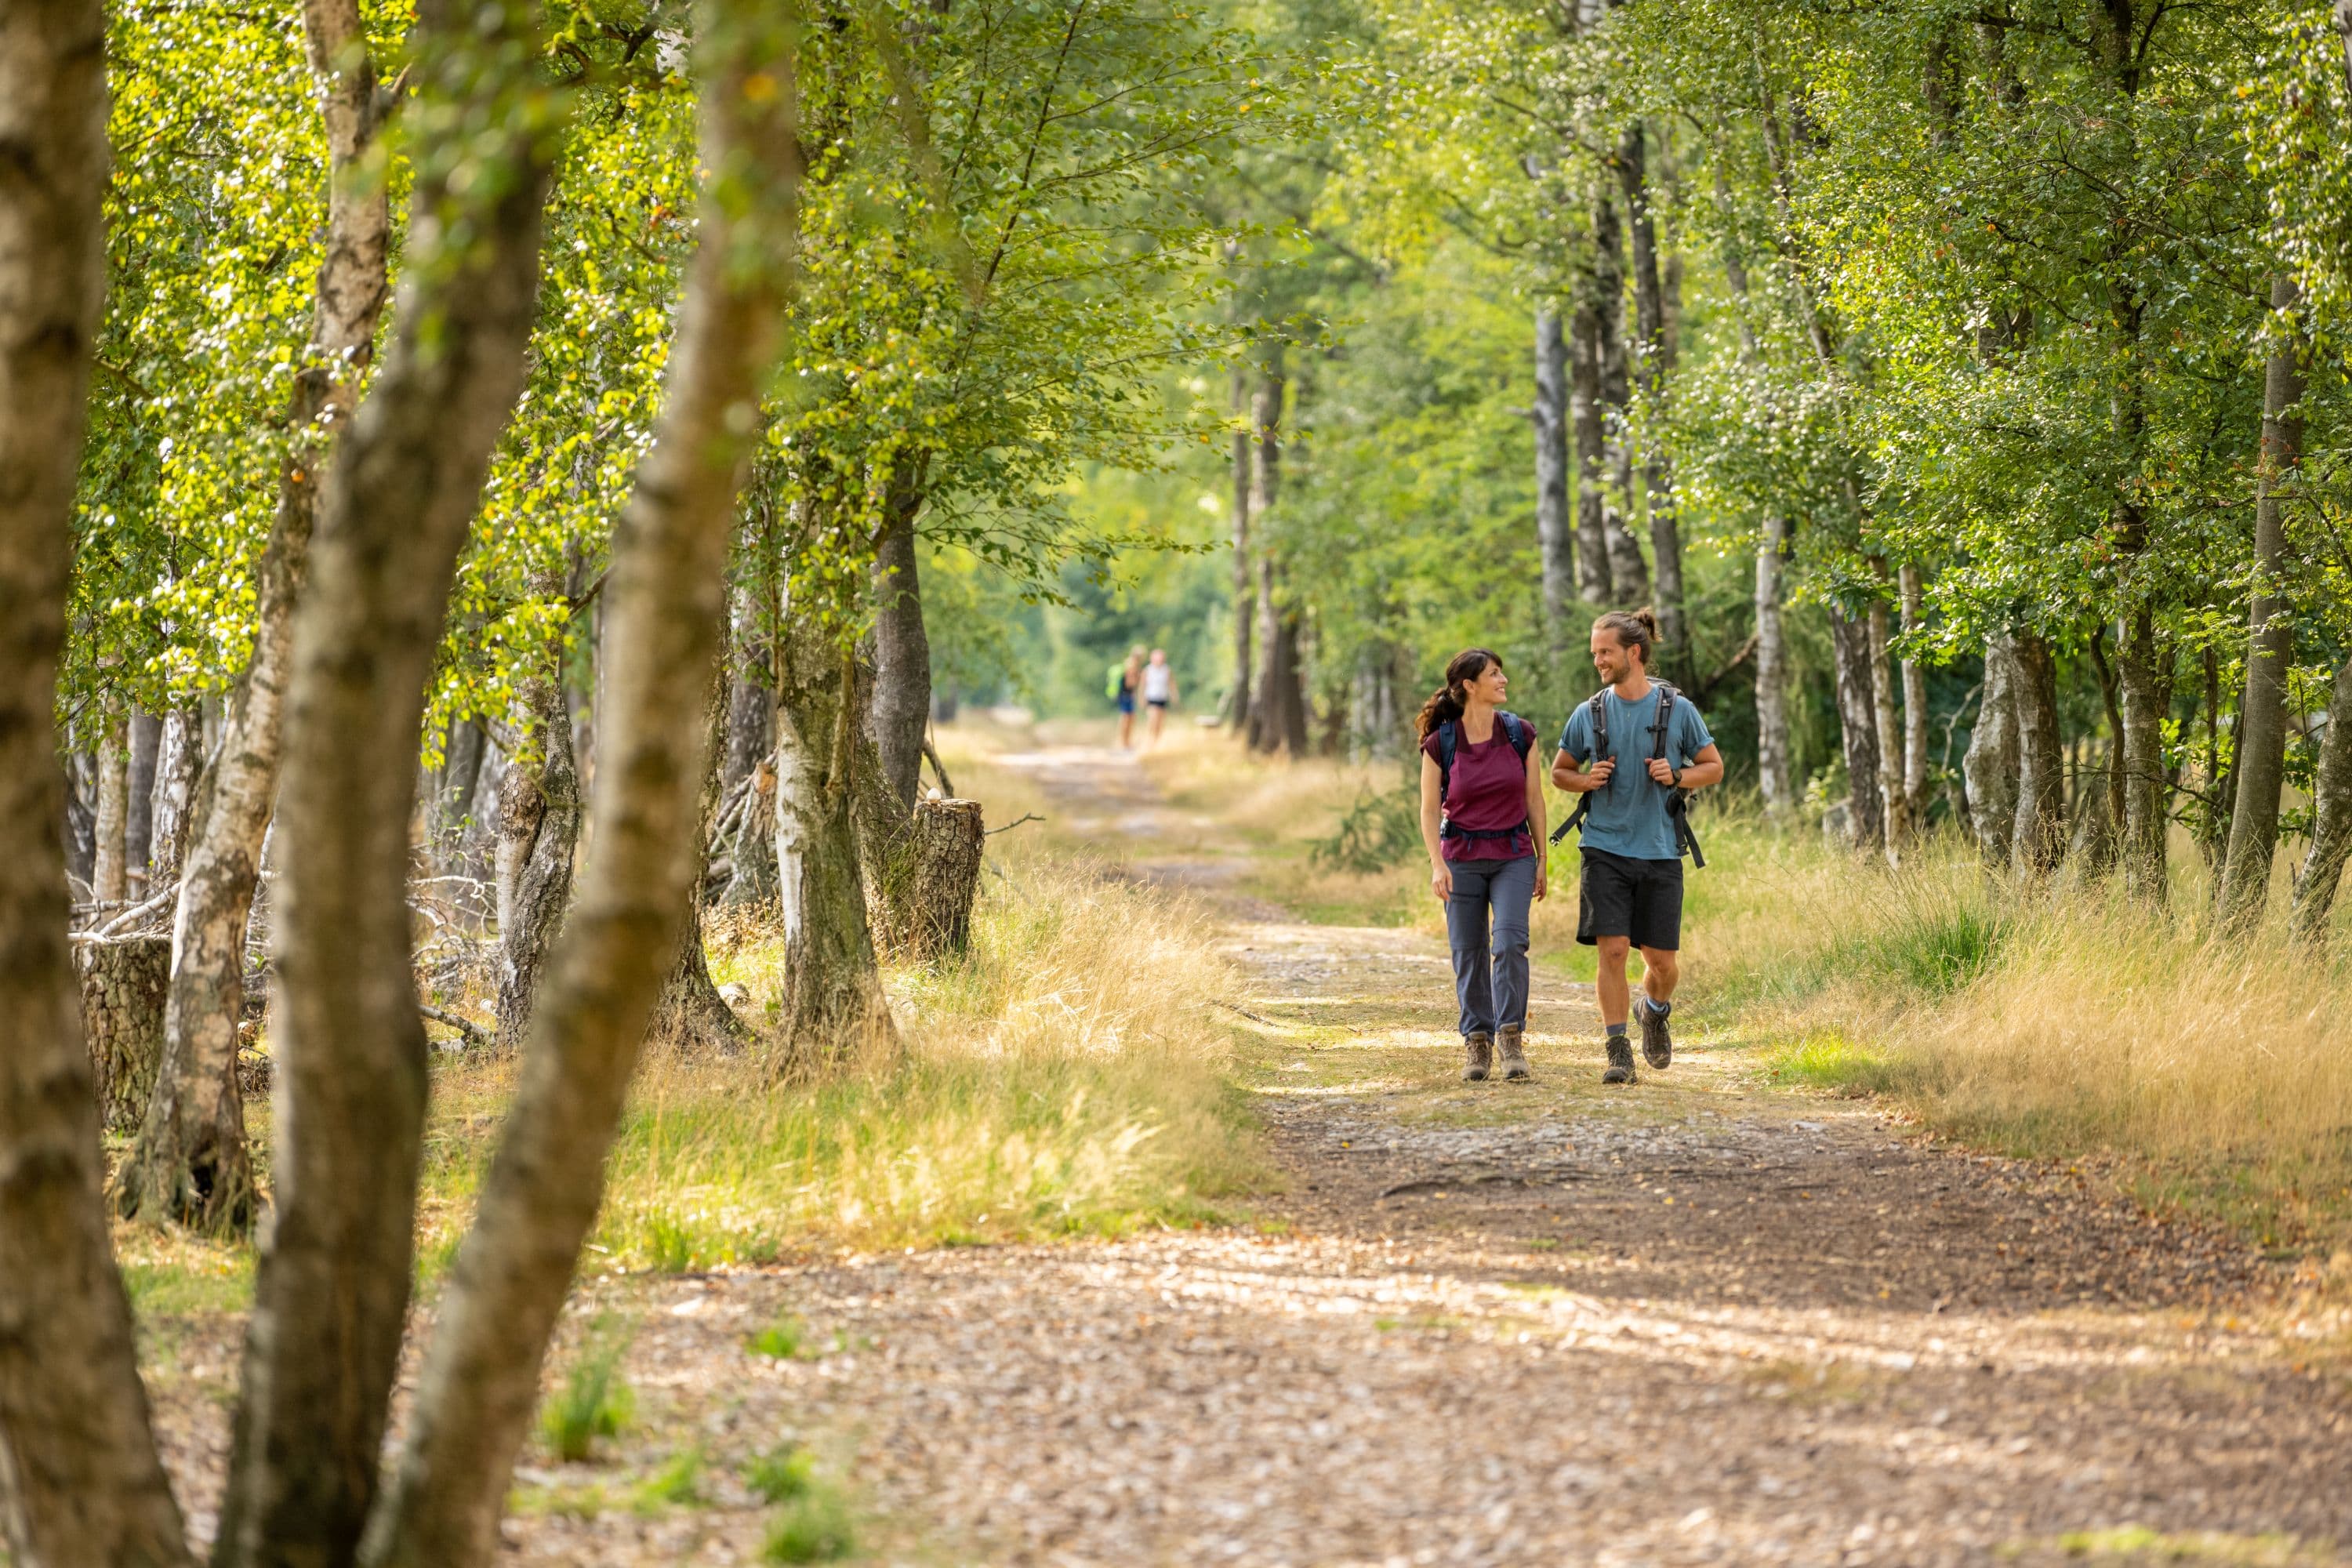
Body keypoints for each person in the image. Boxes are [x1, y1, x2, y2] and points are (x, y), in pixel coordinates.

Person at [1551, 609, 1725, 1084]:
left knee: (1662, 964)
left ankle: (1654, 1010)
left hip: (1661, 850)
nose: (1598, 661)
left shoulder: (1677, 710)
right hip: (1603, 848)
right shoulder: (1590, 712)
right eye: (1594, 654)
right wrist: (1586, 779)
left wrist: (1678, 775)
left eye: (1605, 652)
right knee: (1613, 951)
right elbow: (1559, 771)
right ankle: (1617, 1050)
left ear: (1634, 652)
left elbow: (1714, 766)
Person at [1417, 648, 1548, 1083]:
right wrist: (1437, 864)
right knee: (1468, 952)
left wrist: (1543, 859)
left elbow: (1534, 799)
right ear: (1470, 686)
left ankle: (1511, 1036)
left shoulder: (1520, 734)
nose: (1503, 680)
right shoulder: (1442, 743)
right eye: (1495, 674)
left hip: (1513, 855)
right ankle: (1477, 1040)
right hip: (1460, 860)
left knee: (1510, 943)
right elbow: (1428, 809)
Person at [1109, 646, 1145, 749]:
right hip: (1126, 694)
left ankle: (1125, 741)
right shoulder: (1132, 665)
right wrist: (1139, 678)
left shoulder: (1129, 663)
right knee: (1127, 718)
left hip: (1125, 694)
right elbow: (1130, 682)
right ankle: (1124, 742)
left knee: (1128, 718)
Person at [1141, 648, 1177, 746]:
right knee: (1153, 719)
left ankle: (1156, 741)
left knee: (1160, 722)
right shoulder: (1148, 670)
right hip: (1151, 697)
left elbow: (1171, 683)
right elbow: (1143, 685)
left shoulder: (1166, 670)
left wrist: (1174, 696)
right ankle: (1150, 739)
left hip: (1162, 698)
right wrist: (1142, 698)